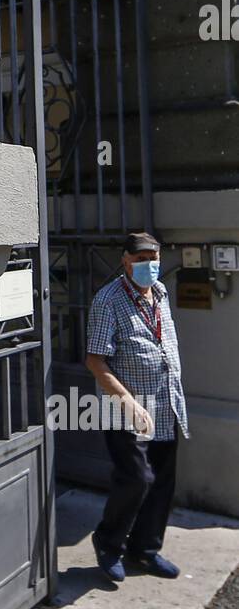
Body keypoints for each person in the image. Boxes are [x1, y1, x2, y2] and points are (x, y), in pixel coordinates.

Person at [85, 231, 189, 583]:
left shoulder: (160, 293)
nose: (149, 265)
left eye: (153, 258)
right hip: (127, 410)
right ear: (125, 261)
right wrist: (128, 402)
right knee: (137, 479)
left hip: (165, 404)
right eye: (141, 259)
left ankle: (144, 550)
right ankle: (108, 542)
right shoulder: (108, 300)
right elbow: (96, 361)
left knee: (161, 482)